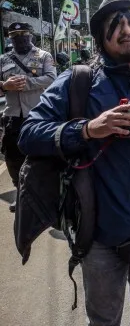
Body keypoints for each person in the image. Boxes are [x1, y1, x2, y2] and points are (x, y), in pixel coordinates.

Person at [18, 0, 130, 325]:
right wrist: (87, 129)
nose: (127, 30)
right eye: (117, 24)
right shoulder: (78, 82)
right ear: (101, 36)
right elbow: (28, 134)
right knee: (102, 320)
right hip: (99, 232)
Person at [0, 22, 56, 213]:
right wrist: (5, 86)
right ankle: (20, 194)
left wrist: (27, 83)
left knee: (40, 156)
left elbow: (51, 78)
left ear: (31, 36)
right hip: (12, 116)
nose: (20, 39)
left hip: (37, 115)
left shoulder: (43, 56)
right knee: (13, 158)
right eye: (15, 36)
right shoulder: (3, 59)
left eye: (24, 35)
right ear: (10, 38)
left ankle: (42, 196)